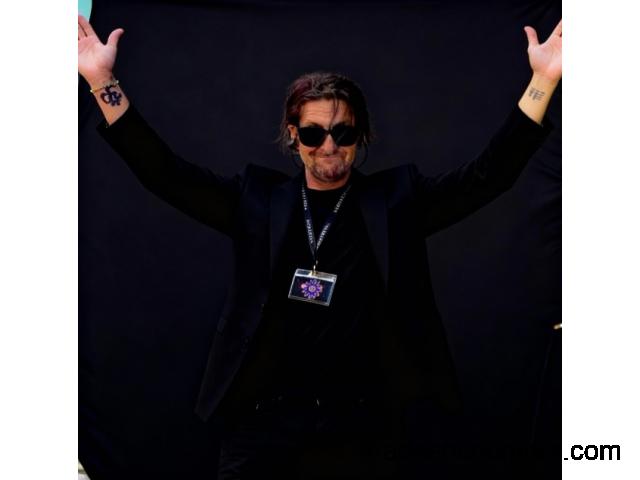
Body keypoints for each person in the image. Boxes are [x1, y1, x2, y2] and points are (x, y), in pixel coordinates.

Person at [78, 14, 561, 480]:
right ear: (294, 136)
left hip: (363, 427)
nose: (328, 145)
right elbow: (166, 175)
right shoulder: (258, 200)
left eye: (343, 132)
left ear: (361, 134)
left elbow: (486, 178)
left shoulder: (396, 200)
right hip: (263, 422)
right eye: (313, 133)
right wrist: (102, 82)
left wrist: (542, 80)